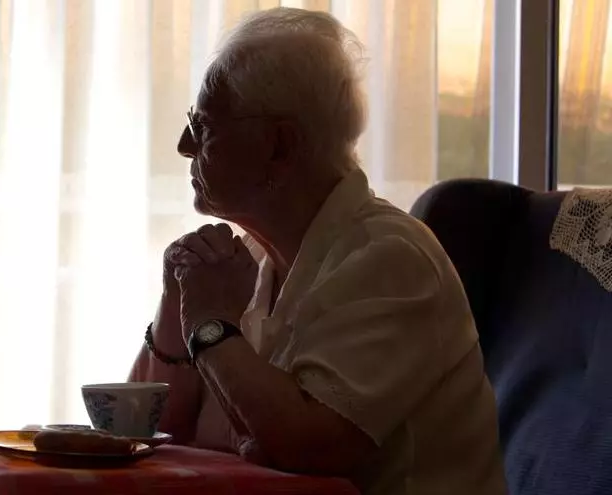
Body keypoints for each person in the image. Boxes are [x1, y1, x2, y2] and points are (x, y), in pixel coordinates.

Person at [128, 7, 507, 495]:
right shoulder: (243, 262)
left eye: (203, 126)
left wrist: (210, 327)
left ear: (279, 145)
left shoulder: (391, 260)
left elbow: (307, 448)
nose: (185, 145)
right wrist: (175, 302)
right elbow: (139, 432)